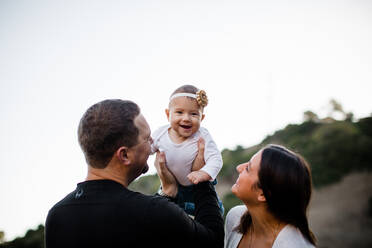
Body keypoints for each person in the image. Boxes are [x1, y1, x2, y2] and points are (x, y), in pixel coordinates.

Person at [44, 99, 224, 248]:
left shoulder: (57, 216)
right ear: (124, 155)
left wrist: (168, 192)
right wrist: (200, 177)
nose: (153, 141)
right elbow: (213, 241)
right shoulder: (154, 212)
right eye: (146, 138)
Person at [224, 144, 317, 248]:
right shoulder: (235, 217)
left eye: (248, 168)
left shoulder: (293, 245)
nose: (239, 167)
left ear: (263, 194)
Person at [151, 84, 224, 215]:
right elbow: (145, 149)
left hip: (196, 184)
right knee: (169, 210)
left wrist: (204, 173)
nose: (186, 118)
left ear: (201, 118)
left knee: (213, 210)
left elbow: (216, 159)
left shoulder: (202, 135)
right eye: (179, 112)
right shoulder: (160, 134)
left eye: (194, 114)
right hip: (173, 185)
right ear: (168, 114)